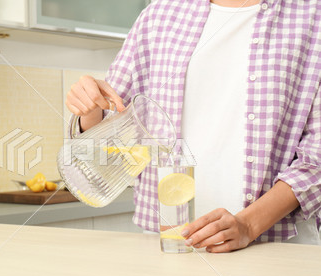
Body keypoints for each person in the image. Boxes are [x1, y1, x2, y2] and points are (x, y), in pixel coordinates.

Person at [65, 0, 321, 252]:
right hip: (170, 244)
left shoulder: (312, 16)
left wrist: (247, 225)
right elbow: (111, 138)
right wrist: (90, 107)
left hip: (276, 247)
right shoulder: (159, 15)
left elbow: (316, 158)